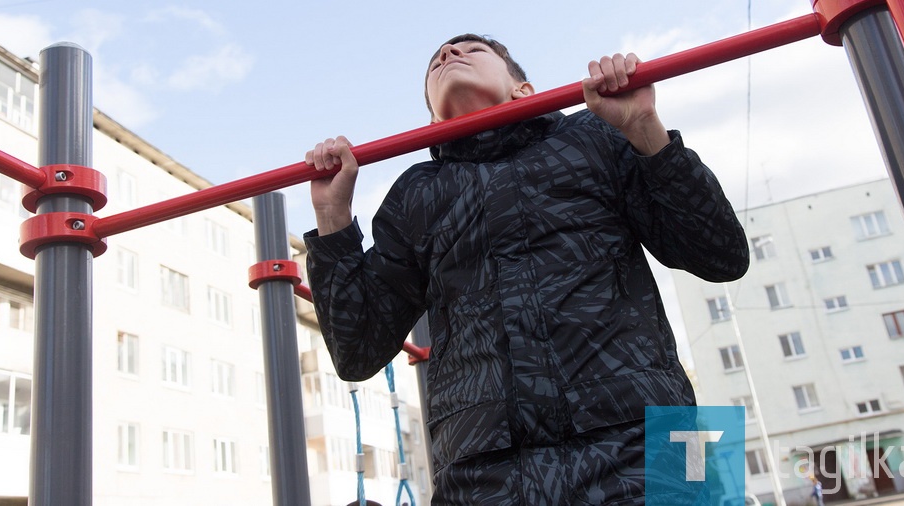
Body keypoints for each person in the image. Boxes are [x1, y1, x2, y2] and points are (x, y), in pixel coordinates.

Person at [305, 34, 749, 504]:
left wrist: (645, 129)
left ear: (524, 90)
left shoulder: (593, 136)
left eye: (470, 50)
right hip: (485, 466)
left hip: (646, 433)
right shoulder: (416, 193)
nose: (448, 55)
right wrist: (333, 219)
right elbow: (357, 353)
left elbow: (721, 255)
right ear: (434, 119)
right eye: (437, 60)